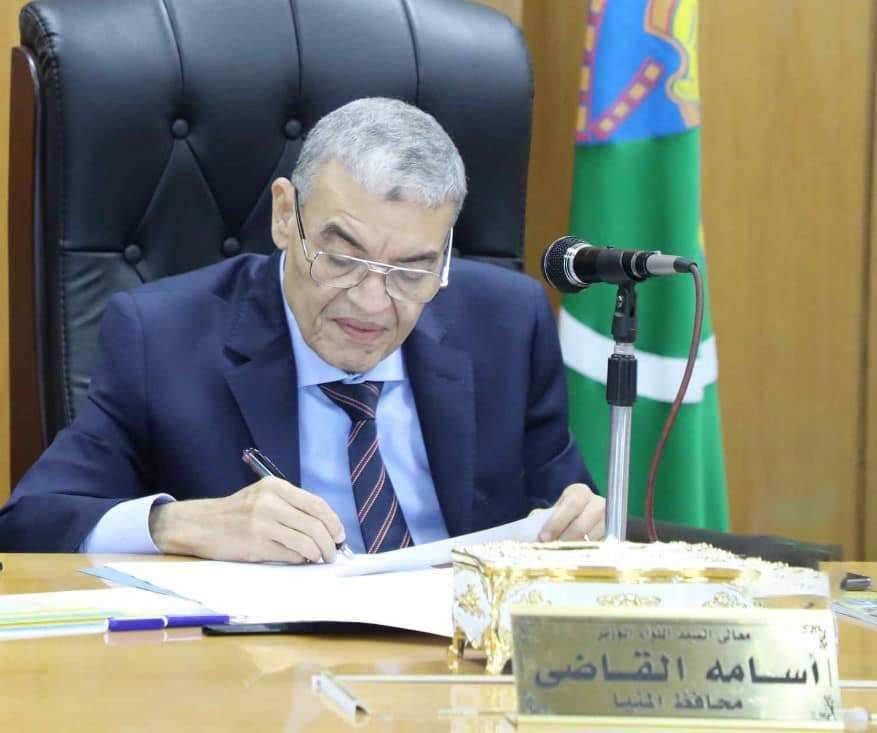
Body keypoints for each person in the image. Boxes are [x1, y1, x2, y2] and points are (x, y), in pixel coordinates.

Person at [0, 98, 604, 561]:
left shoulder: (507, 323)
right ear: (286, 215)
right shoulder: (162, 337)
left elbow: (564, 516)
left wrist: (582, 524)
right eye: (342, 258)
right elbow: (31, 521)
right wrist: (177, 523)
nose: (372, 302)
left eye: (411, 270)